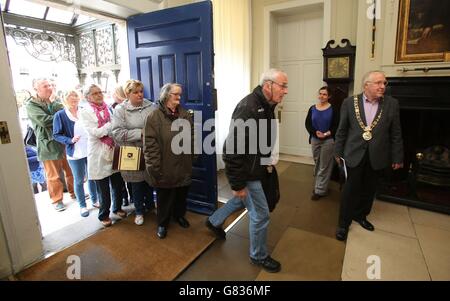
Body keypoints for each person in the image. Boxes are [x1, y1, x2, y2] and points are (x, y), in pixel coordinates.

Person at [206, 69, 287, 273]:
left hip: (258, 168)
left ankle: (214, 221)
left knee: (243, 200)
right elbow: (231, 150)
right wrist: (237, 184)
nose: (285, 91)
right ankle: (258, 256)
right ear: (268, 85)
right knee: (261, 214)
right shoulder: (248, 107)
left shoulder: (266, 105)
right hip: (249, 173)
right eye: (282, 86)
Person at [334, 71, 404, 241]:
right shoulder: (349, 103)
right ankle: (343, 224)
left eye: (384, 83)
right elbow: (342, 130)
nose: (383, 86)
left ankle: (361, 216)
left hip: (377, 155)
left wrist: (397, 157)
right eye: (379, 83)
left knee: (369, 189)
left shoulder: (391, 104)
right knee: (350, 190)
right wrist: (338, 151)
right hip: (353, 154)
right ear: (367, 85)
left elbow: (396, 133)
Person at [143, 83, 194, 239]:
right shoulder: (153, 117)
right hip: (164, 165)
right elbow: (150, 145)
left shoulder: (185, 114)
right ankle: (162, 223)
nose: (179, 97)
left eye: (180, 94)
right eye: (175, 94)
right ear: (166, 95)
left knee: (181, 194)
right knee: (164, 197)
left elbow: (192, 137)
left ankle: (179, 216)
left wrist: (193, 154)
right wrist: (154, 167)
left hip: (183, 163)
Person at [79, 84, 127, 227]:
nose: (99, 95)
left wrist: (109, 126)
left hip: (113, 148)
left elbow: (115, 127)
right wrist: (110, 125)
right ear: (88, 97)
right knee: (103, 189)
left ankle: (117, 208)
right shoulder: (84, 111)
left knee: (118, 183)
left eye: (100, 92)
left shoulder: (108, 107)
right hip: (98, 152)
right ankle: (104, 215)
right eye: (95, 93)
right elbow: (96, 133)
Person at [25, 78, 74, 211]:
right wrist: (59, 115)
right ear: (36, 89)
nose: (49, 88)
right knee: (53, 175)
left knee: (71, 169)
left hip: (64, 140)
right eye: (45, 86)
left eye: (50, 85)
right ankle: (57, 200)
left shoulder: (55, 100)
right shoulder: (31, 105)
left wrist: (54, 105)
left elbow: (66, 113)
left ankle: (74, 192)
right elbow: (44, 121)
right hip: (48, 144)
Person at [112, 80, 155, 226]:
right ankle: (138, 211)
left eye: (141, 91)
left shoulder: (151, 106)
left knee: (150, 180)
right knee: (136, 183)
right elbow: (117, 133)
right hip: (131, 151)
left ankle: (150, 206)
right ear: (127, 94)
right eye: (136, 92)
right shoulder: (120, 109)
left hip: (150, 149)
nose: (140, 94)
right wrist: (140, 133)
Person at [53, 90, 99, 217]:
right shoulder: (60, 115)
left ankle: (95, 200)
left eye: (75, 96)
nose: (74, 98)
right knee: (78, 180)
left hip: (90, 149)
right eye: (70, 96)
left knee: (92, 177)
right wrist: (69, 140)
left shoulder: (84, 110)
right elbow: (56, 134)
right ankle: (82, 205)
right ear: (64, 99)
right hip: (75, 153)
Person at [305, 86, 339, 200]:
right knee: (317, 162)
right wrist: (315, 132)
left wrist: (327, 134)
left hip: (328, 140)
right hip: (315, 139)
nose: (322, 96)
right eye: (320, 94)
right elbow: (308, 124)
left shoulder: (333, 109)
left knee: (324, 165)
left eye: (324, 94)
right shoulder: (312, 108)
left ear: (329, 96)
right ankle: (321, 184)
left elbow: (336, 125)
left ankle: (320, 190)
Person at [111, 84, 133, 207]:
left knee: (130, 173)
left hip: (127, 144)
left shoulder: (126, 107)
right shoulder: (113, 107)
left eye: (114, 93)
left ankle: (132, 197)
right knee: (120, 175)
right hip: (117, 145)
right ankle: (124, 198)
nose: (112, 95)